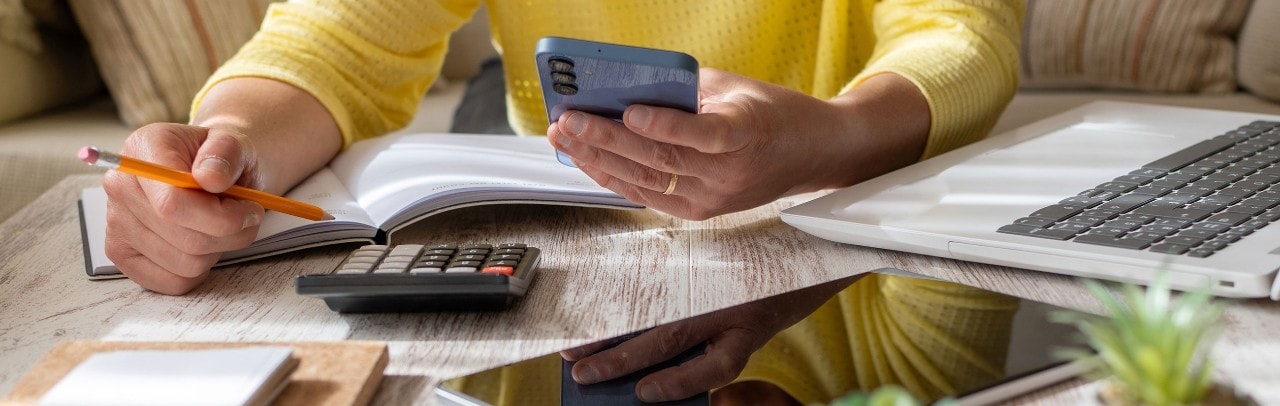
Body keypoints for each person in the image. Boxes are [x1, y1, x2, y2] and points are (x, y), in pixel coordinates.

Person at [100, 0, 1024, 402]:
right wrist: (229, 147)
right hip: (568, 203)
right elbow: (341, 39)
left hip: (852, 230)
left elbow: (963, 34)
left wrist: (829, 136)